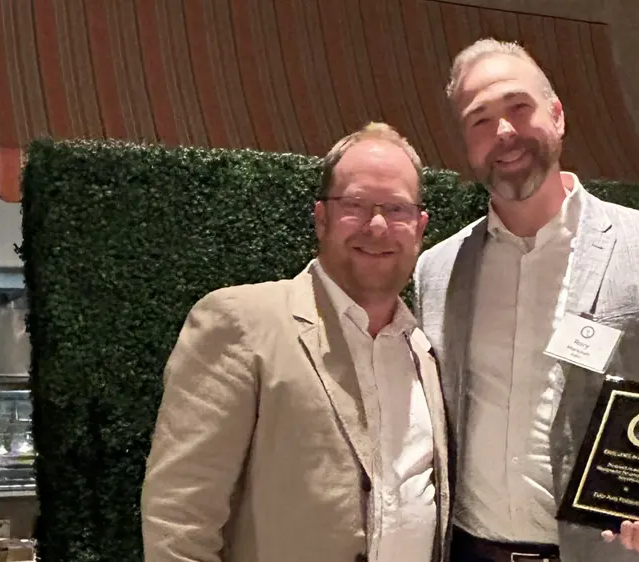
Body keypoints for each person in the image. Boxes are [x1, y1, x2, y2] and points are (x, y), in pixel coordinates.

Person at [412, 39, 639, 561]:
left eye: (519, 107)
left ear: (557, 116)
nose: (504, 131)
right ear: (466, 143)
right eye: (480, 120)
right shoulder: (437, 269)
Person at [141, 122, 451, 562]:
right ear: (321, 218)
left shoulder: (424, 351)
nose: (378, 225)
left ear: (419, 227)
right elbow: (179, 521)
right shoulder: (241, 323)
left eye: (397, 209)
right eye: (355, 205)